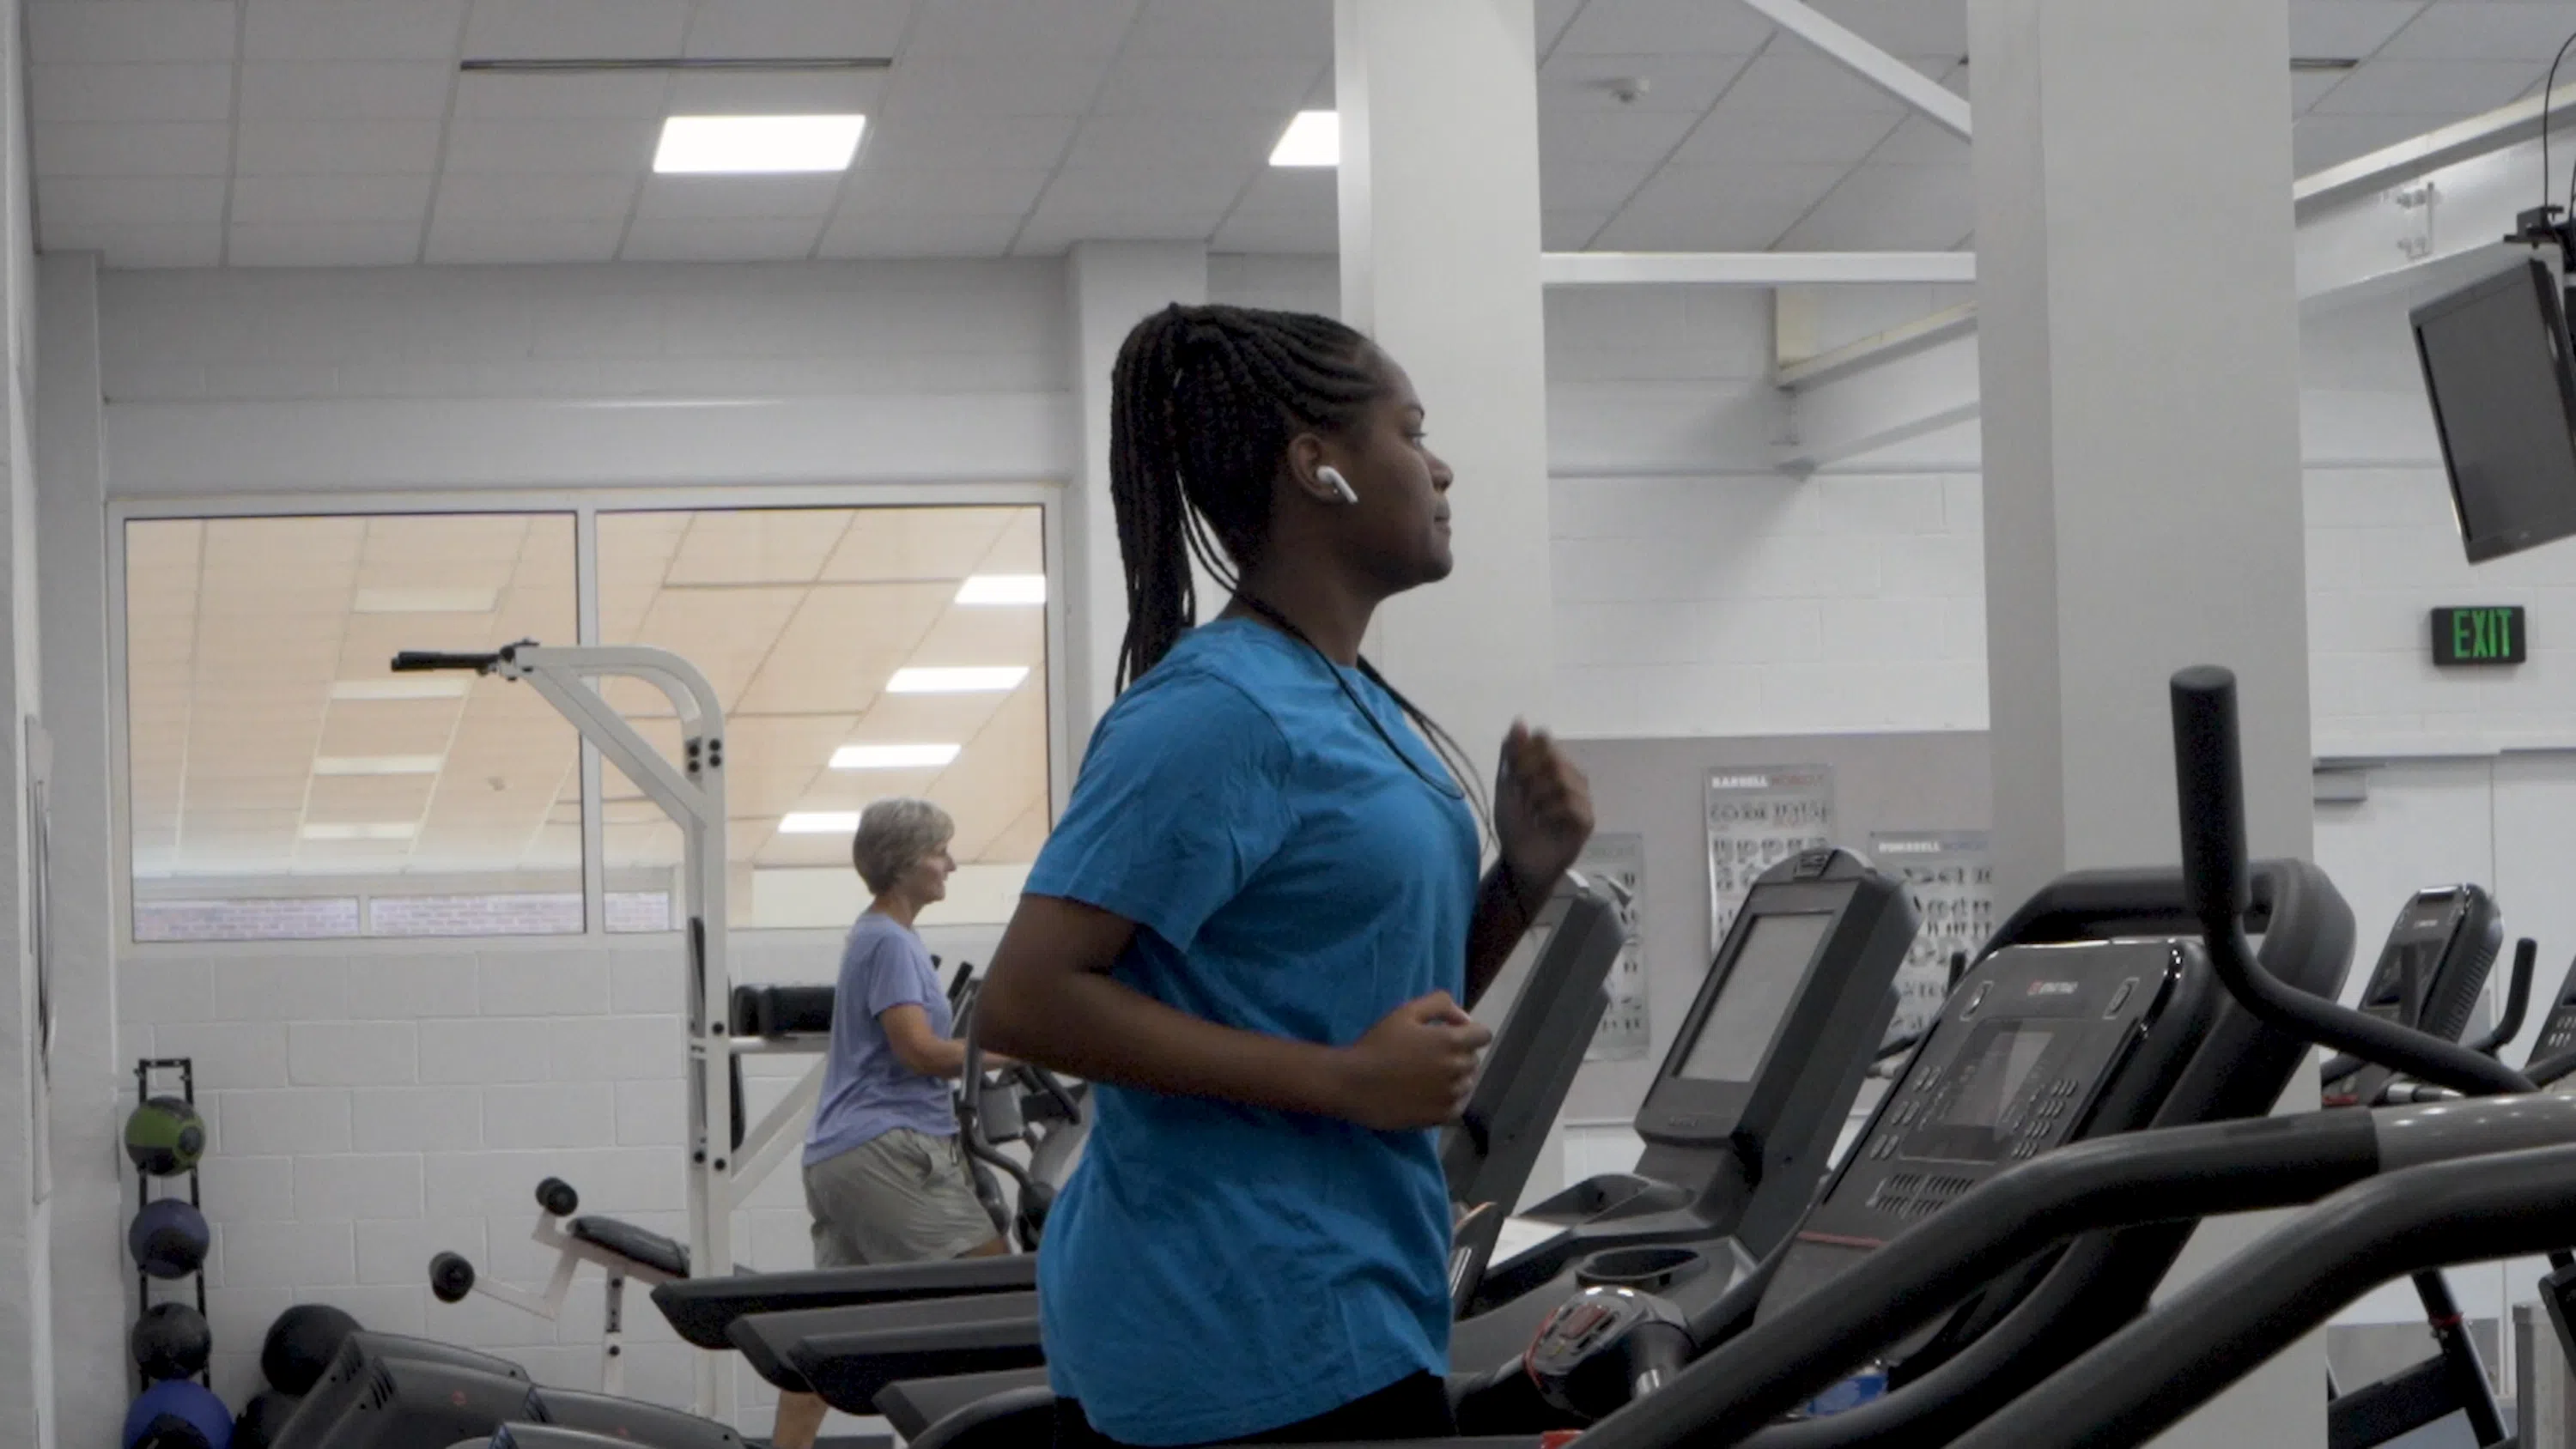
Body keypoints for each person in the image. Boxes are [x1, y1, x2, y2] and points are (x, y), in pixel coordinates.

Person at [979, 304, 1595, 1449]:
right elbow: (1026, 999)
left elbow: (1371, 1003)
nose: (1442, 463)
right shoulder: (1218, 710)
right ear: (1320, 467)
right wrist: (1343, 1084)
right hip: (1245, 1321)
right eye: (1410, 432)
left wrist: (1521, 880)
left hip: (1350, 1287)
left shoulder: (1350, 698)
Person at [772, 797, 1007, 1449]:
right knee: (995, 1294)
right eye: (939, 852)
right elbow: (922, 1052)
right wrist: (1026, 1051)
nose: (951, 865)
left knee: (836, 1335)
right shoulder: (889, 941)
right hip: (886, 1151)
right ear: (904, 863)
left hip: (842, 1158)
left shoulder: (877, 935)